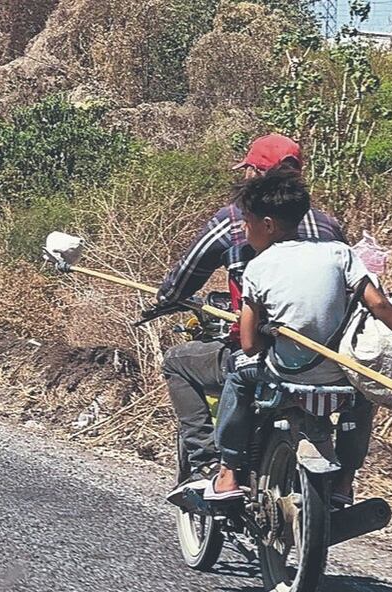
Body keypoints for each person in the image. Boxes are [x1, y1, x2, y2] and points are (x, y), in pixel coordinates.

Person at [155, 134, 371, 503]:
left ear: (255, 171)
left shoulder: (235, 222)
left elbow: (186, 278)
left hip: (267, 354)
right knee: (362, 389)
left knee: (181, 364)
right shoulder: (330, 230)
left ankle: (211, 466)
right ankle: (344, 482)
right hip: (328, 357)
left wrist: (167, 299)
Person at [204, 168, 392, 501]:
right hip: (340, 370)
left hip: (284, 370)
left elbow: (249, 344)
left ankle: (228, 472)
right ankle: (345, 481)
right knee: (363, 395)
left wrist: (269, 336)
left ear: (267, 224)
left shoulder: (258, 267)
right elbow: (380, 305)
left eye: (247, 222)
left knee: (237, 376)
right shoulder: (339, 253)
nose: (244, 230)